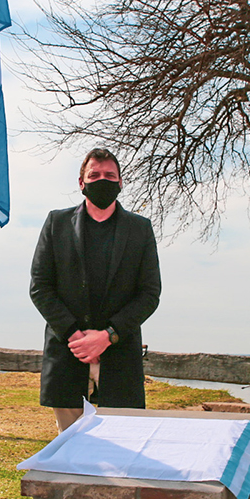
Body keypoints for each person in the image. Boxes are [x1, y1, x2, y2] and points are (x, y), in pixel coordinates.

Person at [29, 148, 162, 432]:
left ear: (120, 182)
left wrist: (107, 336)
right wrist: (77, 337)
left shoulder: (140, 229)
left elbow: (150, 294)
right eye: (94, 175)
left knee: (122, 453)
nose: (102, 180)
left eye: (109, 175)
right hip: (68, 354)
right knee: (70, 455)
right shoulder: (57, 223)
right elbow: (40, 287)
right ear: (81, 183)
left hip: (119, 356)